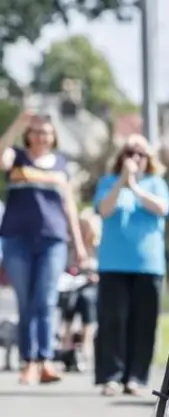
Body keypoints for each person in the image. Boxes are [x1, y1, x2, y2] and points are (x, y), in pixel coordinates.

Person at [0, 110, 87, 385]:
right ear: (29, 134)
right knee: (26, 302)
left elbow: (69, 205)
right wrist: (17, 123)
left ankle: (46, 360)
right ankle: (29, 361)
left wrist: (79, 243)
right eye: (36, 131)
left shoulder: (61, 164)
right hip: (17, 239)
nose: (41, 137)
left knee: (46, 300)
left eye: (46, 132)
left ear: (53, 136)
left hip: (53, 239)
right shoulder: (16, 157)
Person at [93, 134, 169, 396]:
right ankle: (111, 377)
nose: (135, 158)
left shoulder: (156, 183)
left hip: (148, 264)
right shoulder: (108, 182)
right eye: (130, 153)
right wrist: (121, 183)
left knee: (143, 322)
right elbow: (104, 210)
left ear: (148, 158)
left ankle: (136, 378)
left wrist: (136, 188)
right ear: (121, 157)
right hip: (113, 264)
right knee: (112, 320)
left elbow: (163, 209)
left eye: (140, 153)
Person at [60, 208, 101, 362]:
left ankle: (87, 340)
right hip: (72, 285)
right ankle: (67, 338)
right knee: (70, 298)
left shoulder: (98, 248)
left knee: (87, 299)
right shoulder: (73, 248)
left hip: (93, 287)